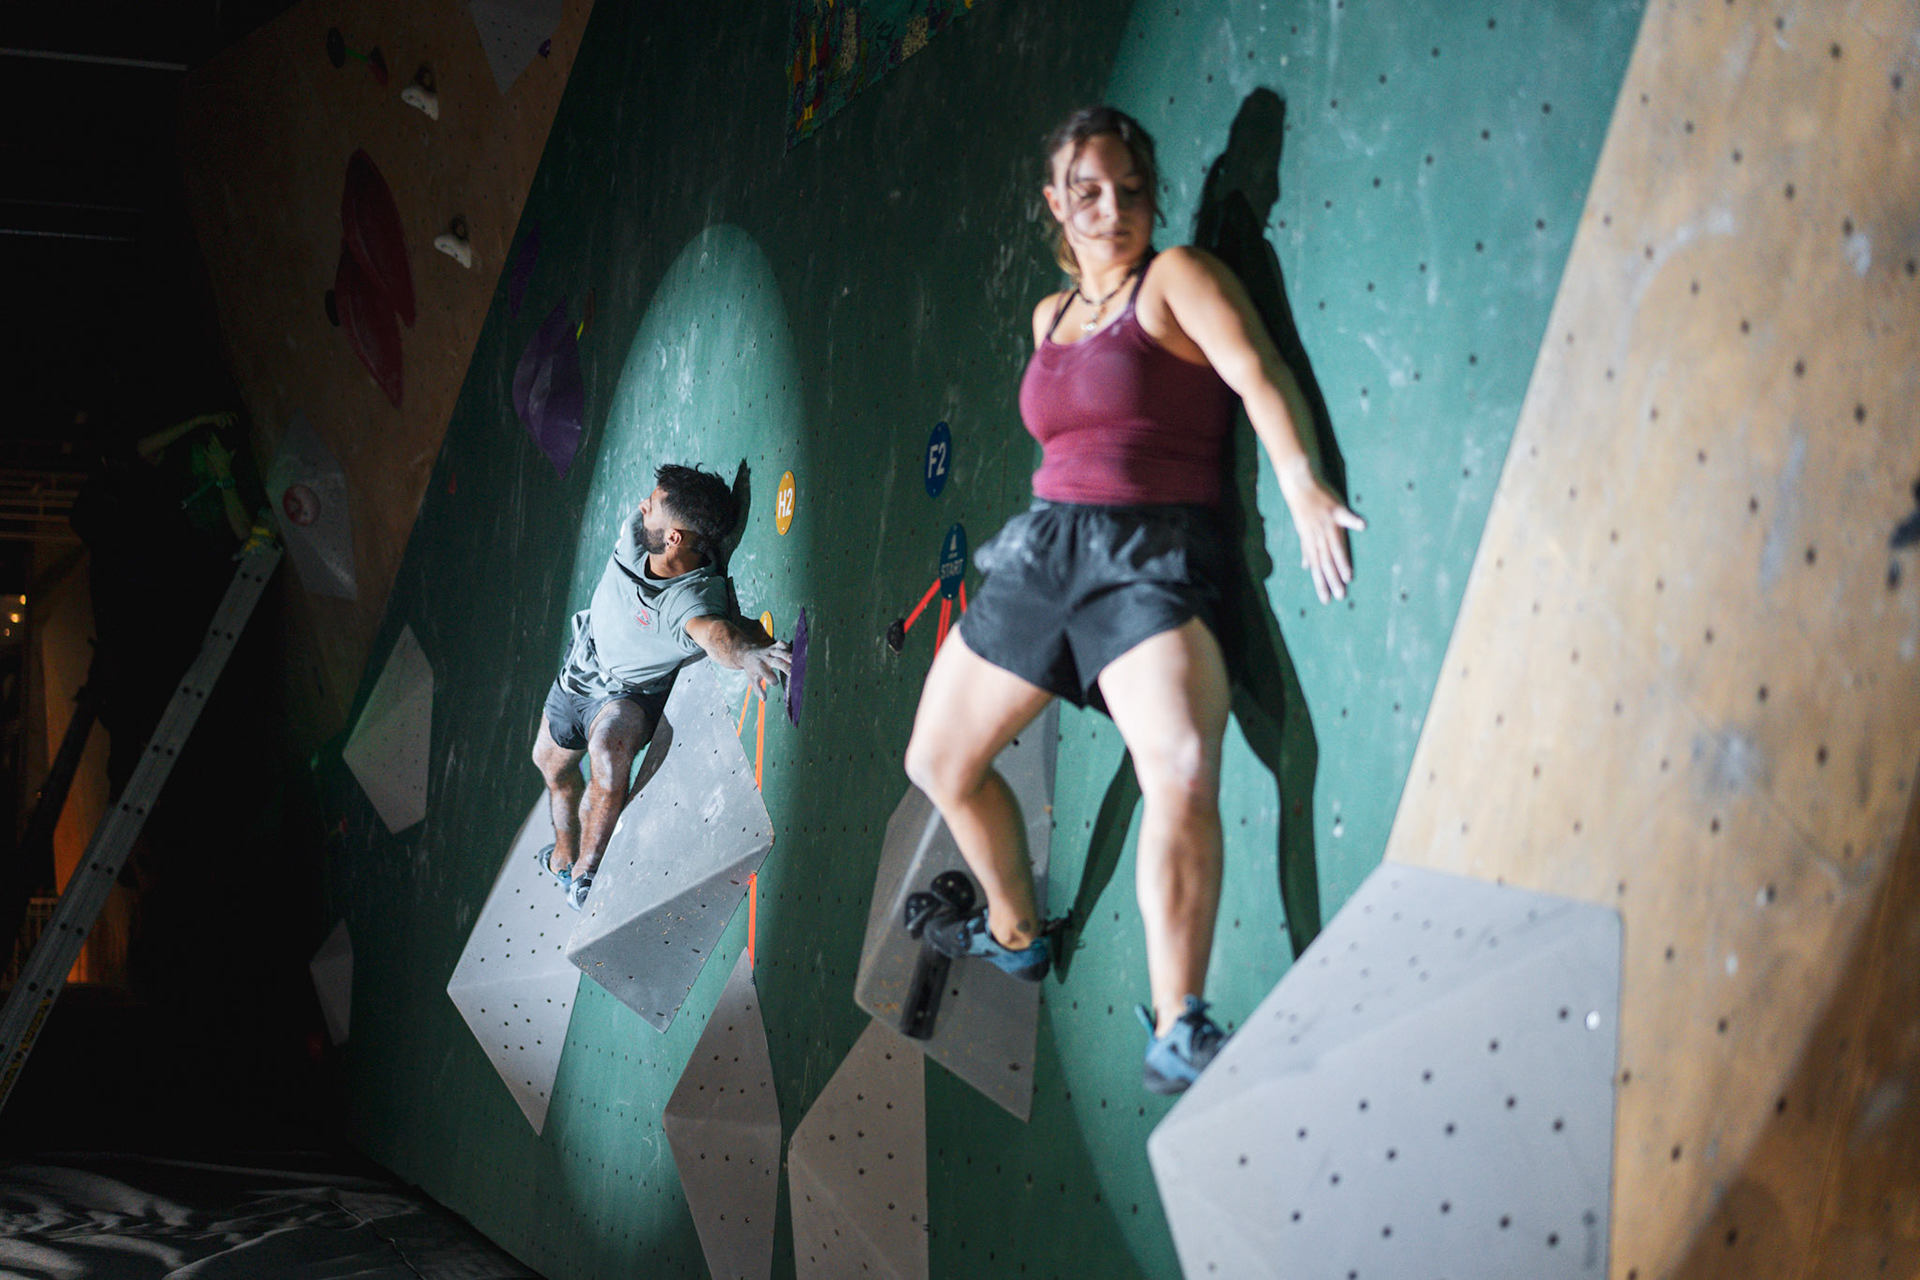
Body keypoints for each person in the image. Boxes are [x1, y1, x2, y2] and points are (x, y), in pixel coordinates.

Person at [902, 106, 1363, 1095]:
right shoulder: (1048, 316)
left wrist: (1302, 483)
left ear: (1154, 194)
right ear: (1055, 203)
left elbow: (1258, 372)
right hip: (1043, 554)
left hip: (1148, 553)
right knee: (936, 761)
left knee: (1184, 767)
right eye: (1088, 191)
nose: (1112, 208)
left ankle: (1179, 1024)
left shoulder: (1180, 277)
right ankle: (1015, 935)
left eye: (1132, 189)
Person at [533, 464, 789, 910]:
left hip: (624, 696)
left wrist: (748, 653)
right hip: (580, 668)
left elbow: (715, 635)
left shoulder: (691, 598)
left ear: (673, 538)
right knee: (551, 769)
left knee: (607, 756)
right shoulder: (641, 534)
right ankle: (562, 853)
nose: (641, 507)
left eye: (651, 506)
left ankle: (587, 874)